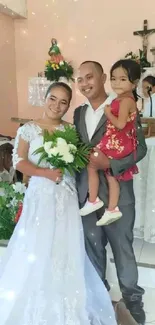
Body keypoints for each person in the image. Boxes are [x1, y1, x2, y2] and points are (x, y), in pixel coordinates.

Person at [0, 82, 117, 325]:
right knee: (37, 242)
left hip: (66, 195)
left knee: (65, 244)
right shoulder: (28, 129)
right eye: (53, 98)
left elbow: (78, 163)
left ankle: (66, 296)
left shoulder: (71, 131)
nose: (57, 105)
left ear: (67, 106)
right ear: (45, 98)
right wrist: (46, 173)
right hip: (41, 196)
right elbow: (19, 161)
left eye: (63, 102)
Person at [74, 61, 147, 325]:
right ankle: (98, 296)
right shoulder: (78, 113)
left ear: (104, 77)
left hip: (118, 195)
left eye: (90, 77)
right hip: (88, 195)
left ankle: (132, 301)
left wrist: (112, 164)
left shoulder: (122, 105)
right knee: (92, 247)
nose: (85, 83)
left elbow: (140, 150)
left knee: (122, 249)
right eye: (80, 79)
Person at [80, 59, 140, 226]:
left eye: (123, 79)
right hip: (114, 143)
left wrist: (108, 114)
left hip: (118, 144)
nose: (117, 83)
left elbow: (123, 127)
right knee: (107, 173)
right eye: (115, 79)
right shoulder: (79, 111)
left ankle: (100, 203)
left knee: (102, 168)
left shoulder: (124, 101)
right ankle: (106, 206)